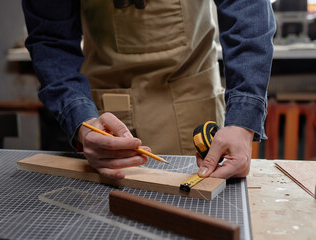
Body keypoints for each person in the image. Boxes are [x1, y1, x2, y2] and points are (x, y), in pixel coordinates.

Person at [22, 0, 276, 180]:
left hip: (192, 102)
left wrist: (242, 121)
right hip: (103, 117)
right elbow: (50, 38)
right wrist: (81, 121)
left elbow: (247, 7)